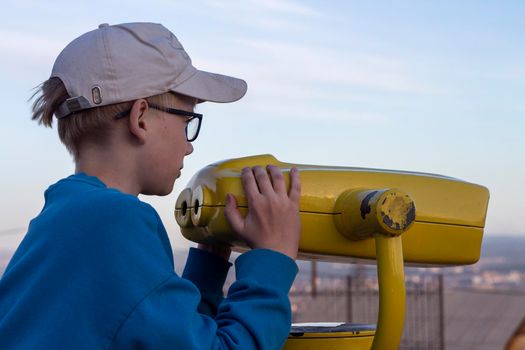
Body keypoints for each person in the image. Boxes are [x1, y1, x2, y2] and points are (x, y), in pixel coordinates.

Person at [0, 22, 301, 349]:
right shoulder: (116, 220)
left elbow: (148, 332)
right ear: (140, 118)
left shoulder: (64, 216)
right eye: (187, 121)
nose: (189, 146)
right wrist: (274, 257)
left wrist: (210, 262)